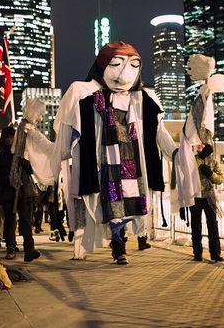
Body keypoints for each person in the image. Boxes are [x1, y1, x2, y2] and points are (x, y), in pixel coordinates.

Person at [47, 41, 177, 264]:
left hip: (134, 160)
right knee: (111, 204)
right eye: (116, 64)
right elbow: (67, 129)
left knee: (129, 204)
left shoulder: (145, 98)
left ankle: (120, 244)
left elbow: (159, 131)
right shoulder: (86, 94)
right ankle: (118, 246)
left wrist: (176, 154)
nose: (124, 75)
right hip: (104, 161)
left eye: (133, 65)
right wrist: (57, 159)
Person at [0, 126, 41, 262]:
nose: (11, 140)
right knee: (10, 222)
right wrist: (7, 179)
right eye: (8, 137)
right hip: (9, 193)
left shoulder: (22, 154)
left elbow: (33, 170)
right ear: (3, 139)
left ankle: (29, 249)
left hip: (24, 193)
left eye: (13, 137)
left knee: (26, 222)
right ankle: (11, 247)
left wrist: (24, 163)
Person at [190, 143, 224, 262]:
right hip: (195, 196)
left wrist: (210, 174)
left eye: (203, 146)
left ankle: (215, 253)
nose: (200, 148)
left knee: (212, 225)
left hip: (209, 196)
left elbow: (220, 179)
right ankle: (197, 253)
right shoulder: (193, 160)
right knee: (196, 225)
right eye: (198, 146)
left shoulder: (213, 162)